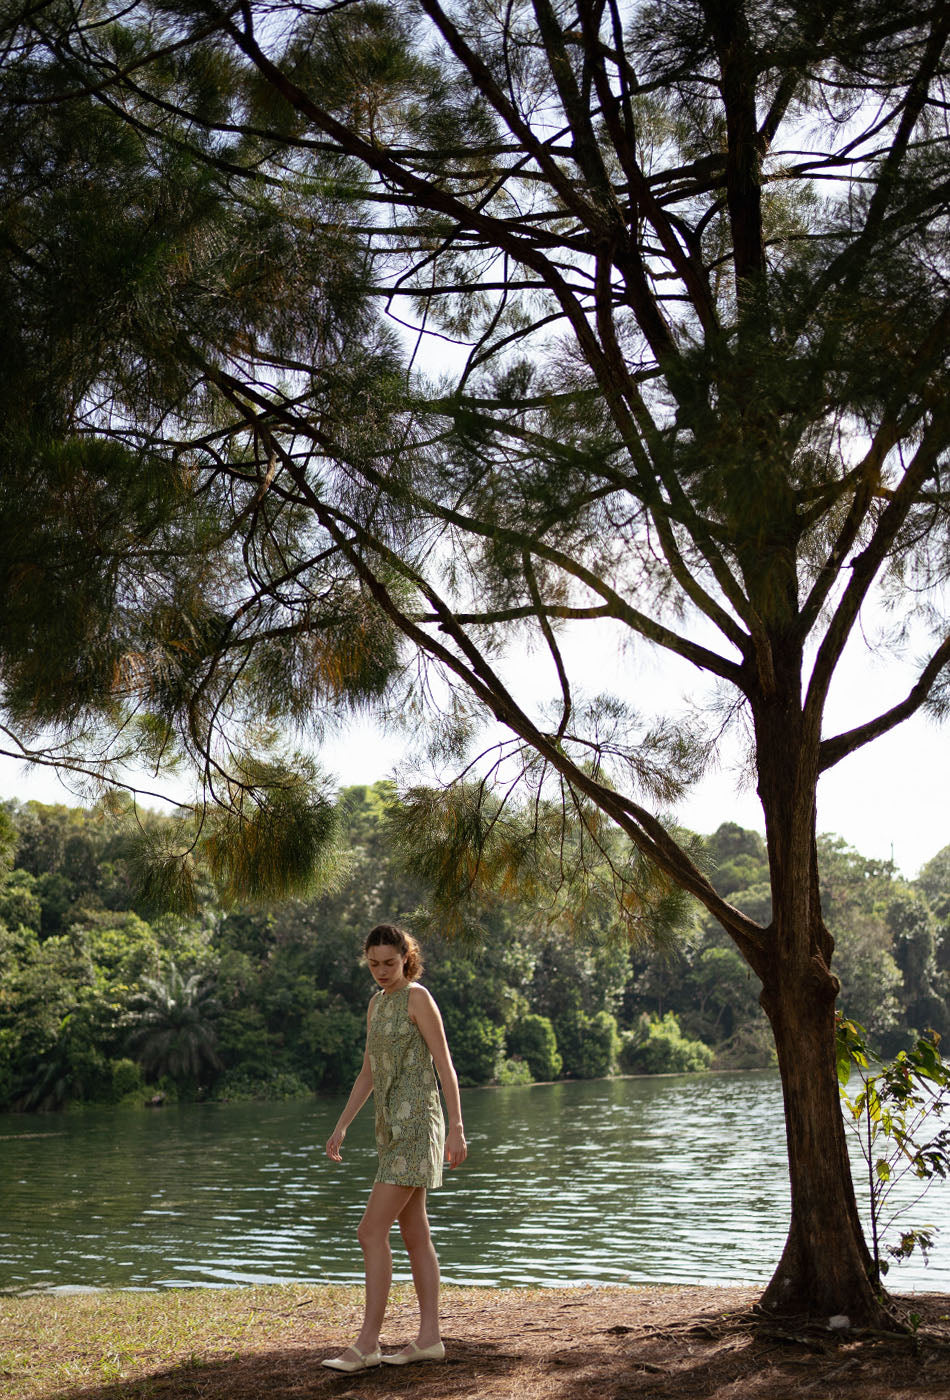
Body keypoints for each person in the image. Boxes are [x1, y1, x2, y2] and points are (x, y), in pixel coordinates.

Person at [322, 923, 467, 1372]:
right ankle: (428, 1339)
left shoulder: (418, 998)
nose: (381, 971)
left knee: (370, 1231)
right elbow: (369, 1071)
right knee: (414, 1233)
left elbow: (444, 1066)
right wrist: (343, 1124)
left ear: (406, 956)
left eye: (389, 962)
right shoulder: (375, 1005)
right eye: (373, 964)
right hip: (389, 1131)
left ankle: (367, 1344)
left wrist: (457, 1126)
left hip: (418, 1127)